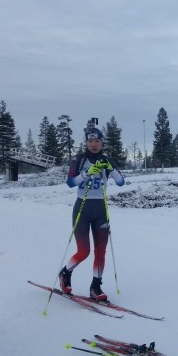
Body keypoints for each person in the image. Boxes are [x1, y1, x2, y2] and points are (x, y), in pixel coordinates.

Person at [59, 127, 125, 301]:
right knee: (84, 251)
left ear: (102, 143)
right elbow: (70, 182)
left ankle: (96, 287)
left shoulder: (107, 160)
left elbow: (120, 182)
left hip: (100, 209)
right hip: (82, 207)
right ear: (86, 142)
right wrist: (86, 174)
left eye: (97, 141)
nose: (94, 144)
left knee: (100, 251)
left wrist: (110, 168)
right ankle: (65, 273)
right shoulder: (79, 159)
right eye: (90, 141)